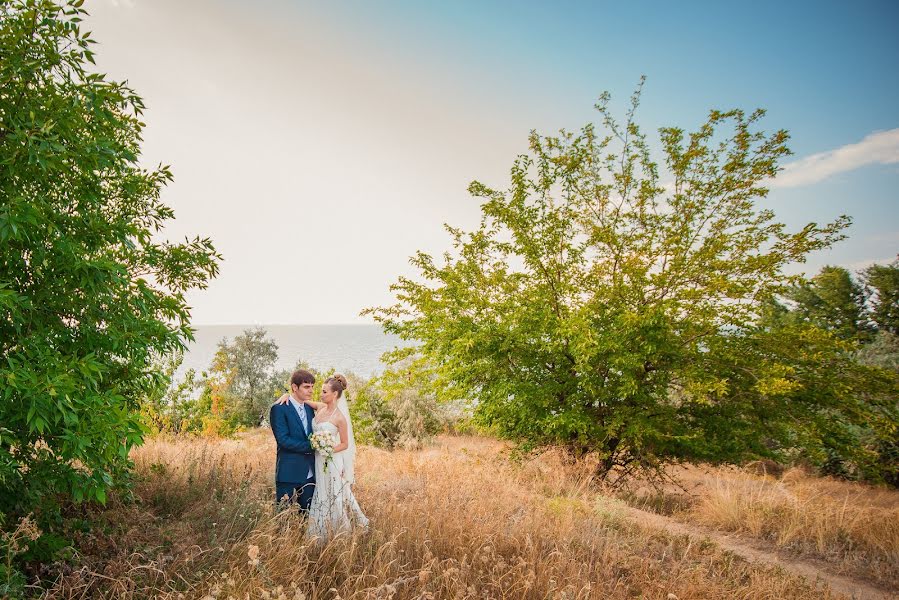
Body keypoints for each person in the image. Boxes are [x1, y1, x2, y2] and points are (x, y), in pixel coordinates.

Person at [276, 373, 368, 540]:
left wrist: (326, 449)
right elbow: (297, 403)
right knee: (319, 496)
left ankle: (339, 534)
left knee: (333, 496)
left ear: (335, 394)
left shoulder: (339, 417)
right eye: (311, 388)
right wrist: (286, 395)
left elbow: (345, 444)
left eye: (324, 391)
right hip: (313, 463)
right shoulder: (318, 407)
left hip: (328, 460)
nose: (318, 393)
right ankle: (315, 534)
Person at [269, 369, 317, 512]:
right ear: (295, 387)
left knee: (307, 515)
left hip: (309, 473)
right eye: (306, 387)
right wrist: (312, 446)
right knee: (283, 517)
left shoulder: (309, 408)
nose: (311, 390)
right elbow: (283, 440)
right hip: (288, 472)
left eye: (312, 387)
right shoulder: (279, 409)